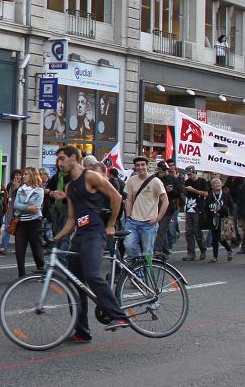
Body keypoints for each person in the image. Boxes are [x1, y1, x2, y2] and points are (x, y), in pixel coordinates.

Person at [50, 145, 130, 343]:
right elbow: (71, 219)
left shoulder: (91, 177)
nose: (59, 163)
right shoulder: (69, 187)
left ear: (74, 158)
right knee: (75, 285)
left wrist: (111, 224)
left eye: (62, 158)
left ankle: (118, 316)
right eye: (58, 159)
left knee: (92, 274)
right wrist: (55, 238)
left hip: (95, 233)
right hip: (80, 235)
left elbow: (116, 197)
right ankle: (81, 331)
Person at [122, 156, 167, 258]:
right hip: (132, 222)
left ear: (147, 166)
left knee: (147, 253)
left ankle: (145, 273)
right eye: (137, 165)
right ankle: (137, 270)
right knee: (128, 246)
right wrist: (128, 217)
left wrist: (158, 219)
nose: (140, 167)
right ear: (135, 167)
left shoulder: (156, 181)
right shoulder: (131, 181)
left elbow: (165, 201)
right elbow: (129, 200)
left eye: (142, 165)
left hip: (149, 223)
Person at [10, 167, 45, 277]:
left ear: (32, 176)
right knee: (19, 249)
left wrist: (24, 207)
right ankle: (21, 274)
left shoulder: (39, 190)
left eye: (26, 174)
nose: (22, 176)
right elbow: (15, 205)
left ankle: (41, 269)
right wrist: (28, 208)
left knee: (36, 248)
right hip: (21, 222)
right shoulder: (21, 189)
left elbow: (36, 208)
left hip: (34, 223)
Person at [154, 161, 183, 255]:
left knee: (160, 229)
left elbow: (179, 192)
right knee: (162, 230)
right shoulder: (154, 178)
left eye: (166, 170)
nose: (165, 171)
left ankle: (157, 251)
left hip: (168, 208)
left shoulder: (172, 178)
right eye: (163, 169)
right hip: (156, 208)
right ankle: (165, 249)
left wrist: (172, 191)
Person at [181, 166, 210, 261]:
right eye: (188, 175)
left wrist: (193, 190)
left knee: (197, 231)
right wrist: (184, 190)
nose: (190, 176)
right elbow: (186, 194)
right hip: (189, 208)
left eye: (191, 174)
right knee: (188, 232)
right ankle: (191, 253)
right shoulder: (187, 182)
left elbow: (205, 194)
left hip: (198, 209)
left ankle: (203, 250)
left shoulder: (202, 181)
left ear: (195, 172)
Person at [204, 178, 234, 262]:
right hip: (213, 218)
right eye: (215, 183)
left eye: (219, 183)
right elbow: (206, 207)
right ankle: (215, 257)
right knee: (214, 238)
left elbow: (231, 206)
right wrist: (206, 217)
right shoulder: (210, 196)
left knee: (221, 238)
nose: (218, 185)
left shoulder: (225, 194)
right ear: (212, 186)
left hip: (223, 218)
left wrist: (224, 209)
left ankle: (229, 250)